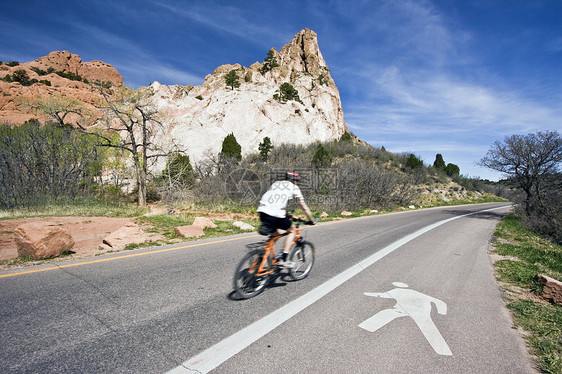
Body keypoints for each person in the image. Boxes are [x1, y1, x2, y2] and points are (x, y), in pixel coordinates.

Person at [257, 171, 315, 267]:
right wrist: (311, 220)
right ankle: (283, 259)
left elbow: (274, 201)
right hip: (275, 215)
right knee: (292, 231)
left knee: (275, 234)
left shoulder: (276, 183)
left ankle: (262, 255)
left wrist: (286, 215)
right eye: (297, 181)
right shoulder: (294, 187)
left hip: (262, 212)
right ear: (294, 180)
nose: (297, 183)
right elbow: (303, 206)